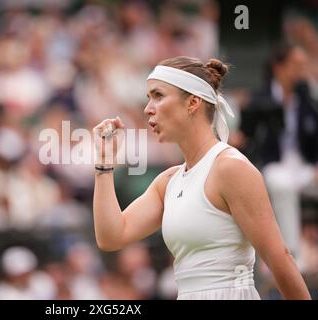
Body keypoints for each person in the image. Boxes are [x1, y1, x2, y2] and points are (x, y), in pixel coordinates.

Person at [92, 56, 311, 300]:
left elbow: (279, 259)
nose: (148, 109)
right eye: (148, 98)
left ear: (193, 103)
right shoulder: (168, 182)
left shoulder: (230, 168)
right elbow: (111, 236)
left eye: (158, 95)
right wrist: (104, 165)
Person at [239, 44, 318, 259]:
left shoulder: (307, 98)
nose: (302, 70)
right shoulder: (259, 98)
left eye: (303, 64)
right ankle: (292, 256)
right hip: (273, 165)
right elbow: (246, 138)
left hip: (305, 166)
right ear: (279, 67)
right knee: (282, 185)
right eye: (296, 64)